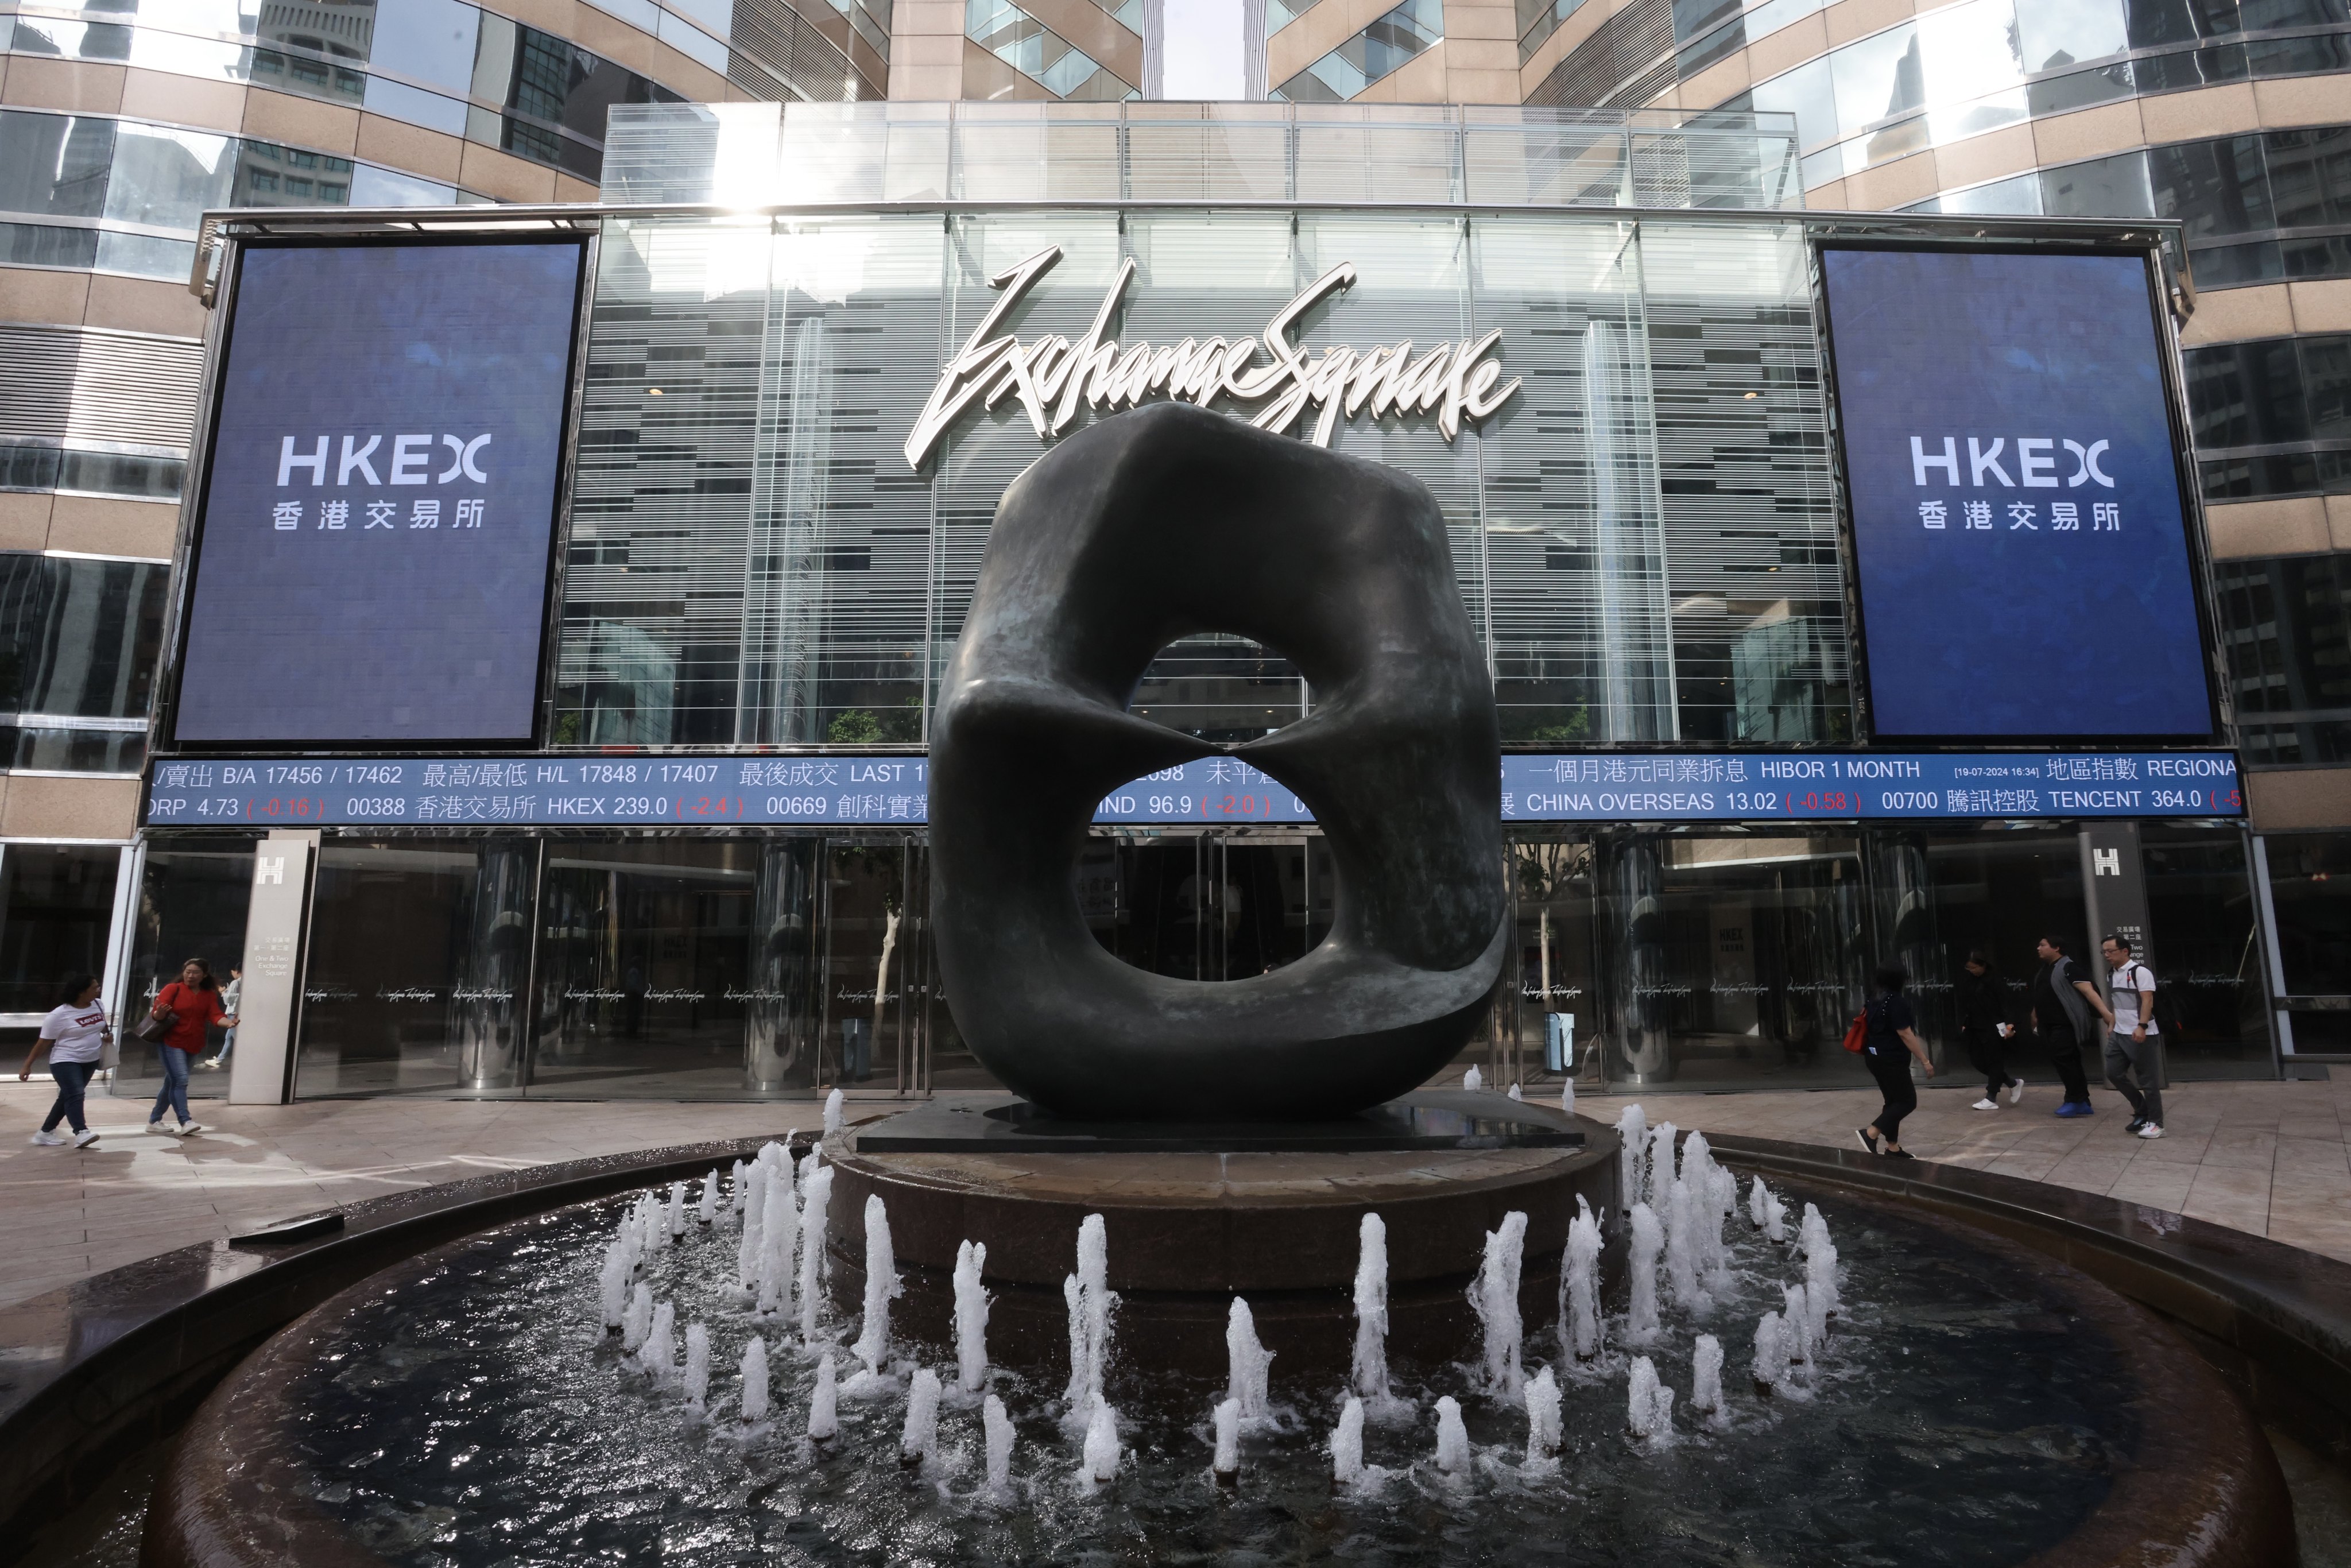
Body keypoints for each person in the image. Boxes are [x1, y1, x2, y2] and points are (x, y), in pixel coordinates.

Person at [148, 959, 236, 1138]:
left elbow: (215, 1015)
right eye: (188, 971)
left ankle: (154, 1120)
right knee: (180, 1080)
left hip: (193, 1042)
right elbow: (156, 1013)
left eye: (195, 972)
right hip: (171, 1041)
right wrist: (160, 1013)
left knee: (171, 1082)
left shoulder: (208, 994)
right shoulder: (174, 989)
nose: (190, 975)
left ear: (204, 975)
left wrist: (229, 1023)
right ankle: (185, 1121)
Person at [20, 973, 109, 1148]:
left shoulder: (98, 1004)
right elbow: (43, 1042)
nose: (98, 990)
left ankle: (45, 1132)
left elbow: (100, 1025)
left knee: (67, 1097)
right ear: (81, 992)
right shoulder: (59, 1015)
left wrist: (106, 1036)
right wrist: (27, 1066)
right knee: (76, 1094)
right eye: (94, 987)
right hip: (66, 1061)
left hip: (90, 1060)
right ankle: (81, 1132)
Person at [1856, 965, 1935, 1158]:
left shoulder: (1872, 997)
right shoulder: (1896, 1002)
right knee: (1908, 1102)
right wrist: (1924, 1060)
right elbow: (1905, 1033)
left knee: (1893, 1102)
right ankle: (1870, 1133)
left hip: (1874, 1057)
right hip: (1891, 1059)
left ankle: (1893, 1148)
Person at [2032, 935, 2111, 1118]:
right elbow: (2042, 993)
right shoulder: (2045, 969)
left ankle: (2075, 1100)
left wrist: (2106, 1014)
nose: (2039, 948)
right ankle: (2082, 1101)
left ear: (2057, 948)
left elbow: (2088, 991)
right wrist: (2034, 1014)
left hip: (2065, 1025)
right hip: (2048, 1024)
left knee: (2065, 1060)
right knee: (2067, 1061)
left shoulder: (2069, 967)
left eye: (2042, 945)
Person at [2100, 934, 2165, 1139]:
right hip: (2120, 1033)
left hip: (2140, 1034)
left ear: (2125, 951)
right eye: (2104, 952)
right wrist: (2112, 1024)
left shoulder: (2140, 972)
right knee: (2114, 1073)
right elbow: (2117, 1003)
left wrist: (2142, 1026)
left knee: (2148, 1081)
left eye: (2111, 951)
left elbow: (2147, 1001)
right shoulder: (2111, 974)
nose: (2107, 955)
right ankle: (2142, 1110)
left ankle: (2156, 1124)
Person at [1955, 950, 2025, 1111]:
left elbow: (2006, 1004)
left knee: (1995, 1061)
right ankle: (2012, 1083)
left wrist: (2010, 1025)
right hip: (1975, 1026)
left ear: (1983, 966)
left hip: (1993, 1026)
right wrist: (1966, 1022)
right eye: (1969, 968)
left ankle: (1991, 1097)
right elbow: (1968, 1004)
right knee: (1977, 1060)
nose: (1972, 971)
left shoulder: (1995, 981)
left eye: (1974, 968)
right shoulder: (1970, 981)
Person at [201, 967, 242, 1070]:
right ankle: (220, 1059)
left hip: (233, 1013)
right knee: (229, 1038)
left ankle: (221, 1060)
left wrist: (223, 992)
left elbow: (228, 1000)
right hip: (239, 1012)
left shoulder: (236, 983)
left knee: (236, 1038)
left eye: (232, 972)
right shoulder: (247, 982)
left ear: (236, 971)